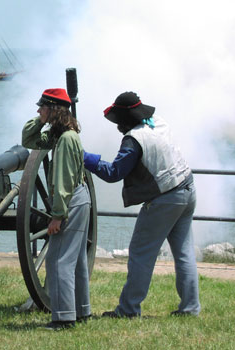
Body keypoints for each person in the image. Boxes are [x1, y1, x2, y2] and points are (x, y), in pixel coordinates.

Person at [83, 91, 200, 318]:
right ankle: (190, 308)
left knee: (140, 254)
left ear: (126, 120)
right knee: (184, 253)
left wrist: (86, 158)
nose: (117, 126)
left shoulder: (133, 140)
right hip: (187, 187)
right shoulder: (158, 122)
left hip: (165, 198)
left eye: (119, 121)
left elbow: (114, 172)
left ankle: (128, 310)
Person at [22, 88, 92, 330]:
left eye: (43, 107)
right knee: (78, 259)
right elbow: (29, 141)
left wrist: (57, 216)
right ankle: (82, 311)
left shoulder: (64, 140)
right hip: (80, 198)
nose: (39, 110)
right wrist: (40, 121)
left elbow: (62, 181)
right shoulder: (65, 135)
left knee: (58, 260)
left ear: (55, 109)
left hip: (70, 201)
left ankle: (64, 318)